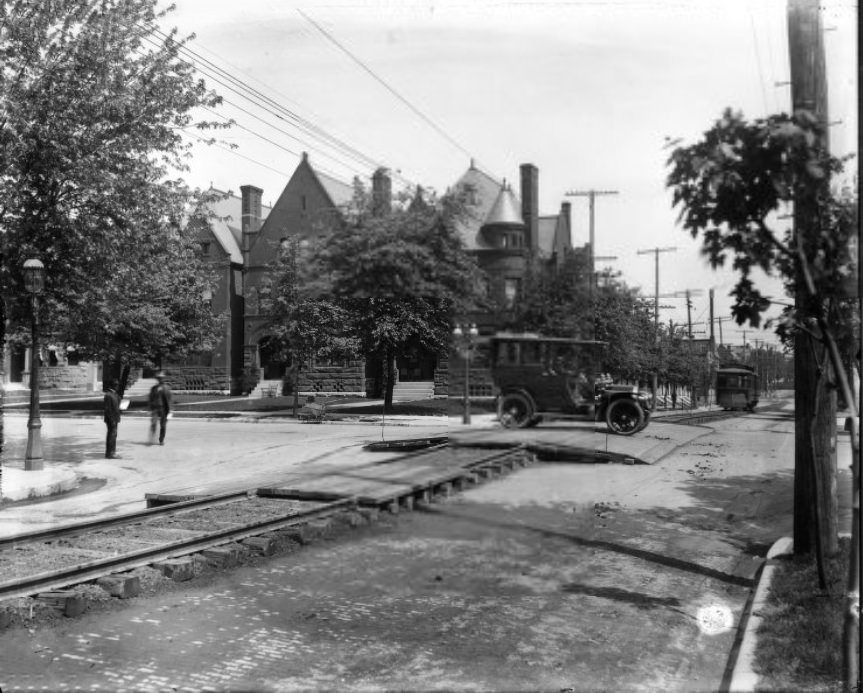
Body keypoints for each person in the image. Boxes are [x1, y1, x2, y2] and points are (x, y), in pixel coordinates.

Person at [148, 371, 173, 446]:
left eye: (161, 378)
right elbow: (150, 398)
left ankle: (161, 439)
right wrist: (150, 408)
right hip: (155, 408)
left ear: (163, 378)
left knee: (163, 425)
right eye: (158, 378)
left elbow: (169, 400)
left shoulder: (166, 388)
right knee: (154, 423)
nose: (160, 379)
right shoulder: (153, 388)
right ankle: (152, 436)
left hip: (163, 409)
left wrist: (170, 410)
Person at [103, 379, 121, 459]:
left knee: (113, 435)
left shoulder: (114, 394)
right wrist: (112, 420)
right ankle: (110, 453)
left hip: (115, 418)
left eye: (117, 385)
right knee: (112, 435)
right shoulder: (108, 395)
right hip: (111, 419)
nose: (118, 386)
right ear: (113, 385)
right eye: (116, 385)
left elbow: (117, 403)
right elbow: (107, 409)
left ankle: (111, 452)